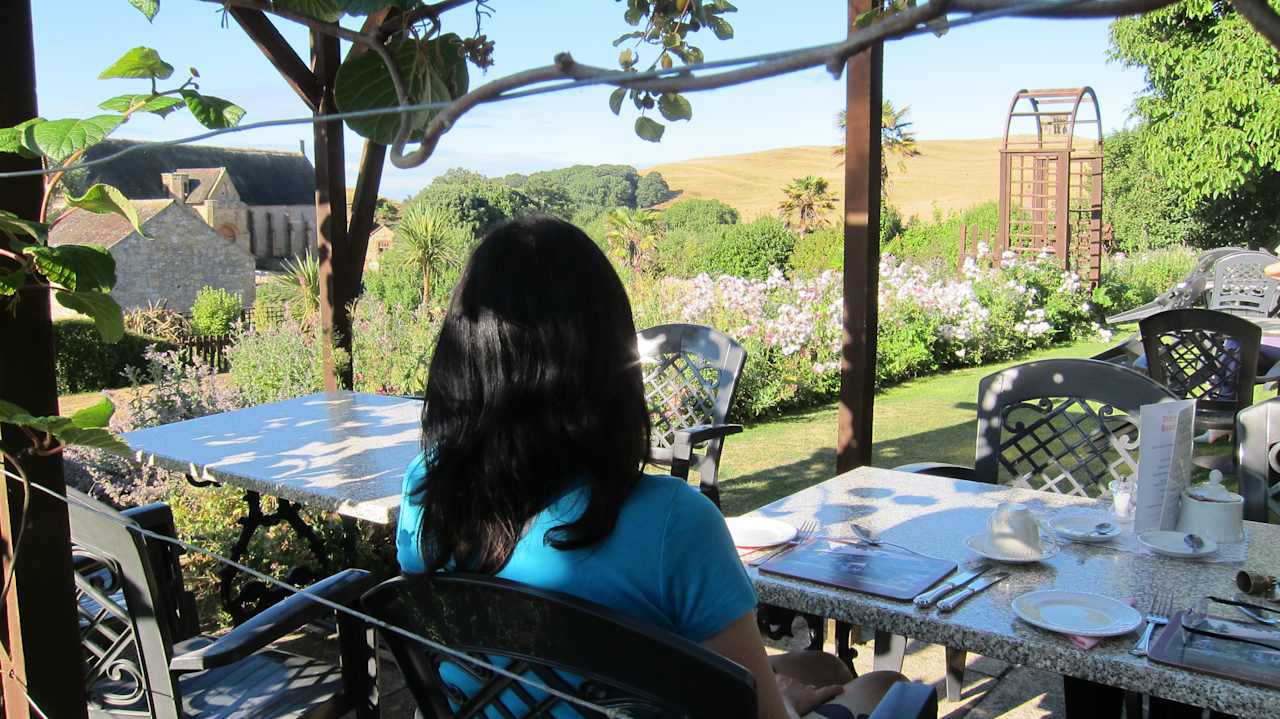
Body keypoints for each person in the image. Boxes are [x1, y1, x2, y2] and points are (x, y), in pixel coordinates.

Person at [396, 216, 905, 719]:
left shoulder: (426, 489)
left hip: (507, 704)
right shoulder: (674, 523)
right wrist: (787, 703)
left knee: (823, 666)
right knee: (886, 686)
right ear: (609, 361)